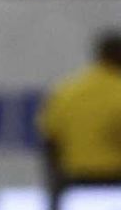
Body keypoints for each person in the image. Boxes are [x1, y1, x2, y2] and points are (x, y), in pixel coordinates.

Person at [39, 30, 121, 186]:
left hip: (75, 180)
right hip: (115, 180)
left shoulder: (67, 91)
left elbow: (51, 142)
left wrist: (54, 184)